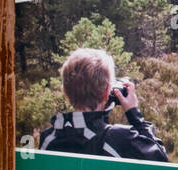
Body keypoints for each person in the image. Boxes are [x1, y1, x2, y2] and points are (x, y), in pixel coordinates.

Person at [40, 47, 168, 162]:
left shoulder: (48, 139)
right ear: (107, 92)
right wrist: (134, 113)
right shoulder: (118, 138)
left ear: (66, 92)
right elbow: (160, 161)